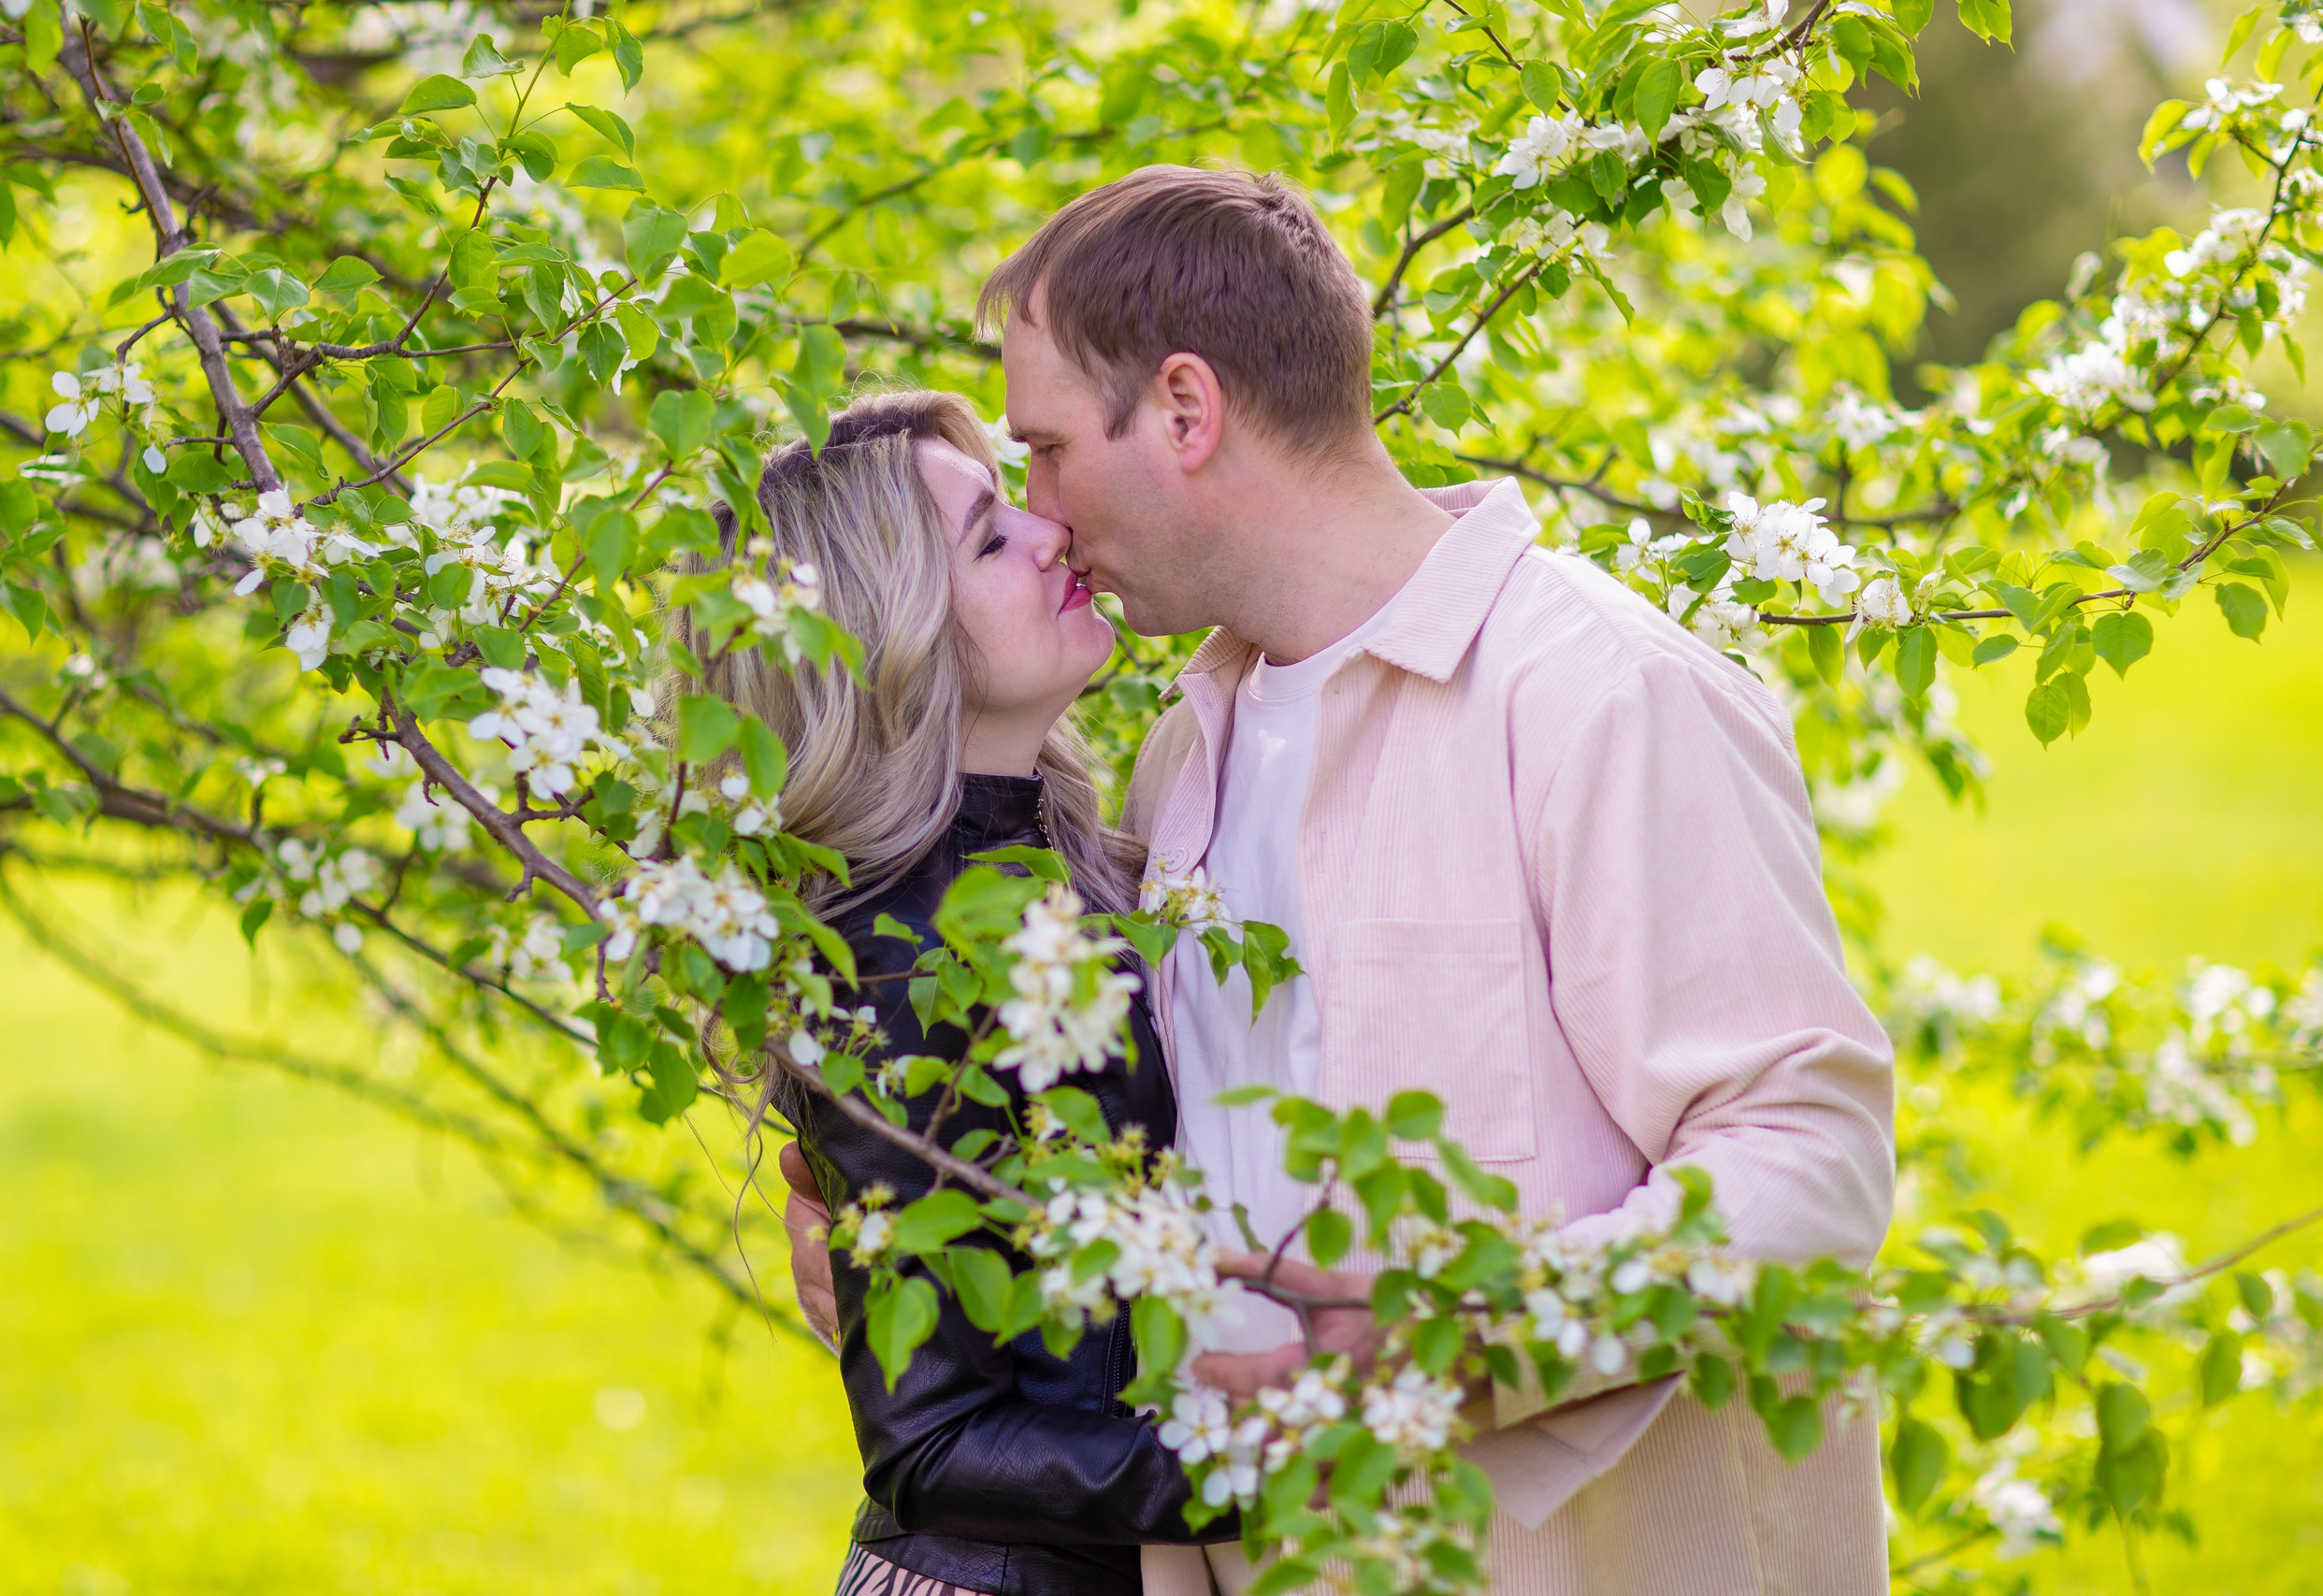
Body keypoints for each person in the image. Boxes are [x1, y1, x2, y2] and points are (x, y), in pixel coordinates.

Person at [975, 166, 1899, 1595]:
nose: (1036, 509)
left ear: (1182, 409)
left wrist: (1487, 1325)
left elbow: (1809, 1156)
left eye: (1042, 449)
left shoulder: (1604, 698)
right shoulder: (1184, 758)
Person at [703, 391, 1226, 1596]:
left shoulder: (1061, 856)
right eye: (990, 537)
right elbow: (932, 1444)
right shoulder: (886, 956)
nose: (1053, 532)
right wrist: (1275, 1466)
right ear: (895, 633)